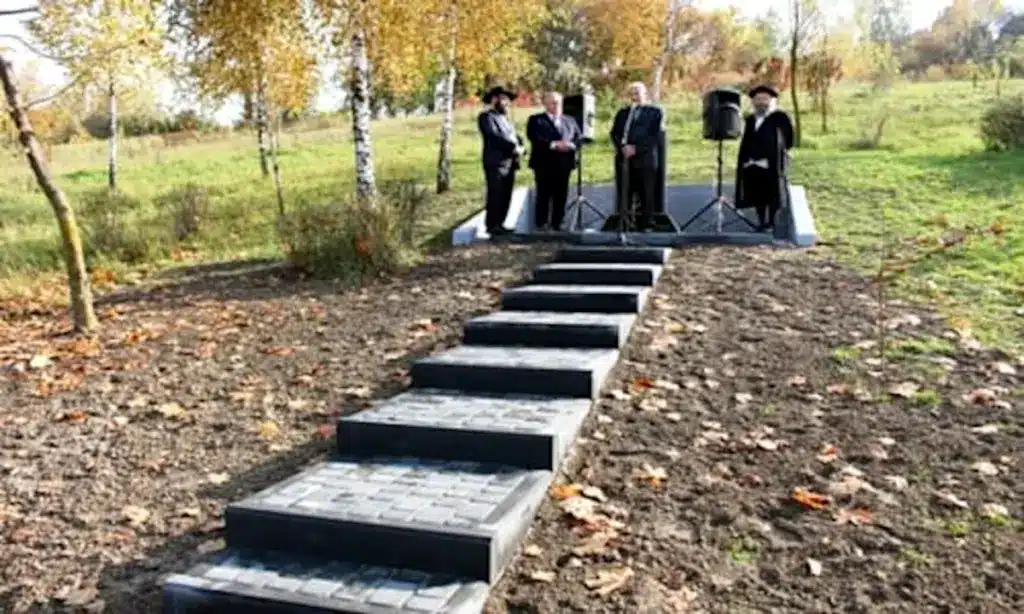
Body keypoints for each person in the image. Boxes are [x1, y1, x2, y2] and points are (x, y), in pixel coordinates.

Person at [734, 84, 794, 231]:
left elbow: (789, 139)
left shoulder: (780, 117)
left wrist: (780, 154)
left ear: (771, 100)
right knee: (757, 194)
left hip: (771, 163)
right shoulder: (750, 119)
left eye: (764, 99)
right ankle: (761, 222)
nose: (761, 103)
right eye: (758, 99)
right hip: (752, 163)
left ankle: (772, 223)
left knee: (772, 194)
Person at [609, 81, 663, 231]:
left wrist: (636, 149)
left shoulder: (654, 112)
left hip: (645, 159)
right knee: (625, 192)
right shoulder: (623, 113)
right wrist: (622, 147)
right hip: (624, 159)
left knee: (646, 193)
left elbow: (654, 136)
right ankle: (625, 223)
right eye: (631, 93)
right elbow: (614, 133)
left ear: (645, 94)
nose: (634, 96)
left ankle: (646, 224)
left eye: (637, 93)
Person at [526, 91, 581, 231]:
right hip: (544, 164)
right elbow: (534, 137)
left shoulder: (570, 120)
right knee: (543, 194)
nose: (557, 105)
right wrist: (554, 145)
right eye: (553, 103)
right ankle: (542, 223)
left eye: (559, 102)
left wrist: (571, 145)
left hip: (564, 163)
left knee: (561, 194)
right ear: (545, 104)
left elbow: (578, 137)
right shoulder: (536, 120)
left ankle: (558, 222)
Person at [477, 84, 525, 236]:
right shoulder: (486, 117)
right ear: (494, 99)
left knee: (506, 194)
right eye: (503, 99)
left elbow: (513, 136)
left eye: (507, 100)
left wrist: (521, 146)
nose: (506, 103)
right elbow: (495, 137)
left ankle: (501, 224)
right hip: (496, 162)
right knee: (496, 193)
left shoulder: (505, 119)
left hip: (510, 162)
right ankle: (492, 225)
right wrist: (513, 147)